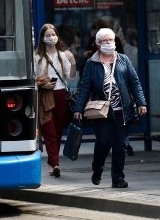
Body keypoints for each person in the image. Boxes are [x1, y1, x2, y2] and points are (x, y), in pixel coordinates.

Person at [73, 27, 147, 188]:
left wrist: (141, 103)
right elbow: (85, 87)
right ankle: (97, 169)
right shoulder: (91, 63)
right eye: (105, 41)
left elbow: (134, 82)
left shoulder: (123, 60)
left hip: (122, 110)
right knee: (104, 142)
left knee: (121, 144)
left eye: (111, 40)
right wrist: (78, 109)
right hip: (102, 111)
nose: (108, 43)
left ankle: (118, 178)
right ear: (98, 44)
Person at [34, 23, 73, 178]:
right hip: (45, 96)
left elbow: (71, 77)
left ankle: (52, 163)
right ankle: (56, 163)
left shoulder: (63, 55)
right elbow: (32, 78)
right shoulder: (37, 57)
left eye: (54, 34)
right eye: (48, 35)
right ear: (42, 39)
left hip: (60, 94)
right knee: (49, 131)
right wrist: (43, 83)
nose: (52, 37)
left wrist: (74, 62)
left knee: (57, 131)